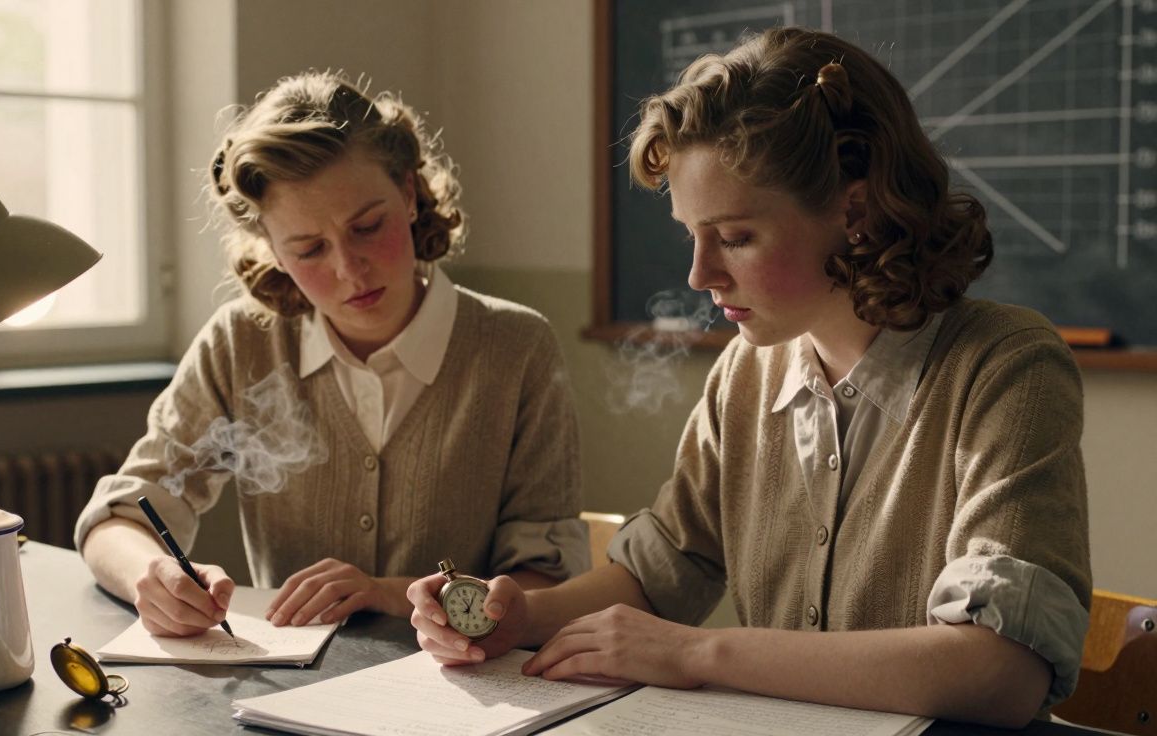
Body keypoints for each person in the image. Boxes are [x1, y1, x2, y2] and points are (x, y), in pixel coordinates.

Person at [407, 26, 1090, 728]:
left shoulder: (1007, 367)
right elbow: (663, 568)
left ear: (853, 212)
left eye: (734, 238)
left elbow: (1000, 670)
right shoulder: (747, 369)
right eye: (691, 235)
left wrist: (699, 654)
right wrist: (519, 617)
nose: (700, 275)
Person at [75, 71, 589, 638]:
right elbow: (117, 519)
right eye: (309, 248)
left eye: (367, 227)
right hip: (289, 694)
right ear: (272, 249)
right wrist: (154, 575)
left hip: (467, 691)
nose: (348, 269)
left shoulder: (515, 349)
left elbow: (546, 579)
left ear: (410, 193)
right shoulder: (241, 344)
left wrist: (389, 594)